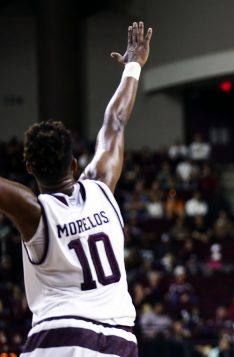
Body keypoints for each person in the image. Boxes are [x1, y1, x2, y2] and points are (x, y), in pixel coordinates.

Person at [0, 21, 152, 356]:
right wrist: (133, 65)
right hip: (119, 341)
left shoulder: (34, 211)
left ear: (29, 169)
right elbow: (115, 122)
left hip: (60, 335)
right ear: (73, 163)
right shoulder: (101, 186)